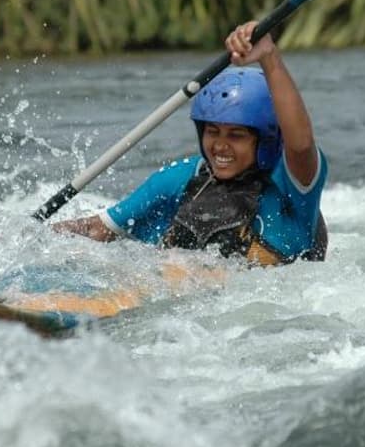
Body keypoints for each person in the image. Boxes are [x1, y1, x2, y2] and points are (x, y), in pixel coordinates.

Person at [52, 20, 327, 265]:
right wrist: (27, 235)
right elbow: (98, 229)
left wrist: (269, 57)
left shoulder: (293, 191)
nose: (220, 145)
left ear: (266, 138)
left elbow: (301, 145)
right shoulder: (181, 179)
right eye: (212, 131)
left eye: (236, 135)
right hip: (167, 301)